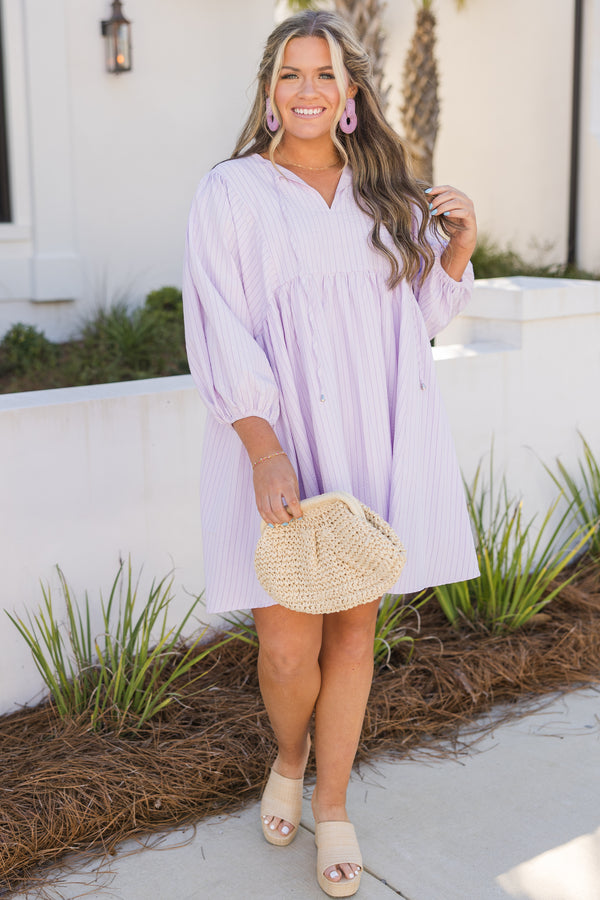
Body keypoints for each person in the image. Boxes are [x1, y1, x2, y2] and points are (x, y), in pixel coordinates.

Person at [183, 10, 478, 897]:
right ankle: (288, 757)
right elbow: (218, 326)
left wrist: (456, 248)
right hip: (279, 446)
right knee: (284, 646)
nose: (306, 91)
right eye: (289, 75)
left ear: (351, 95)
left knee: (354, 631)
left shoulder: (386, 195)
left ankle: (336, 802)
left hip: (372, 440)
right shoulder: (230, 192)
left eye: (323, 76)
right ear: (270, 95)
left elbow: (409, 327)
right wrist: (265, 450)